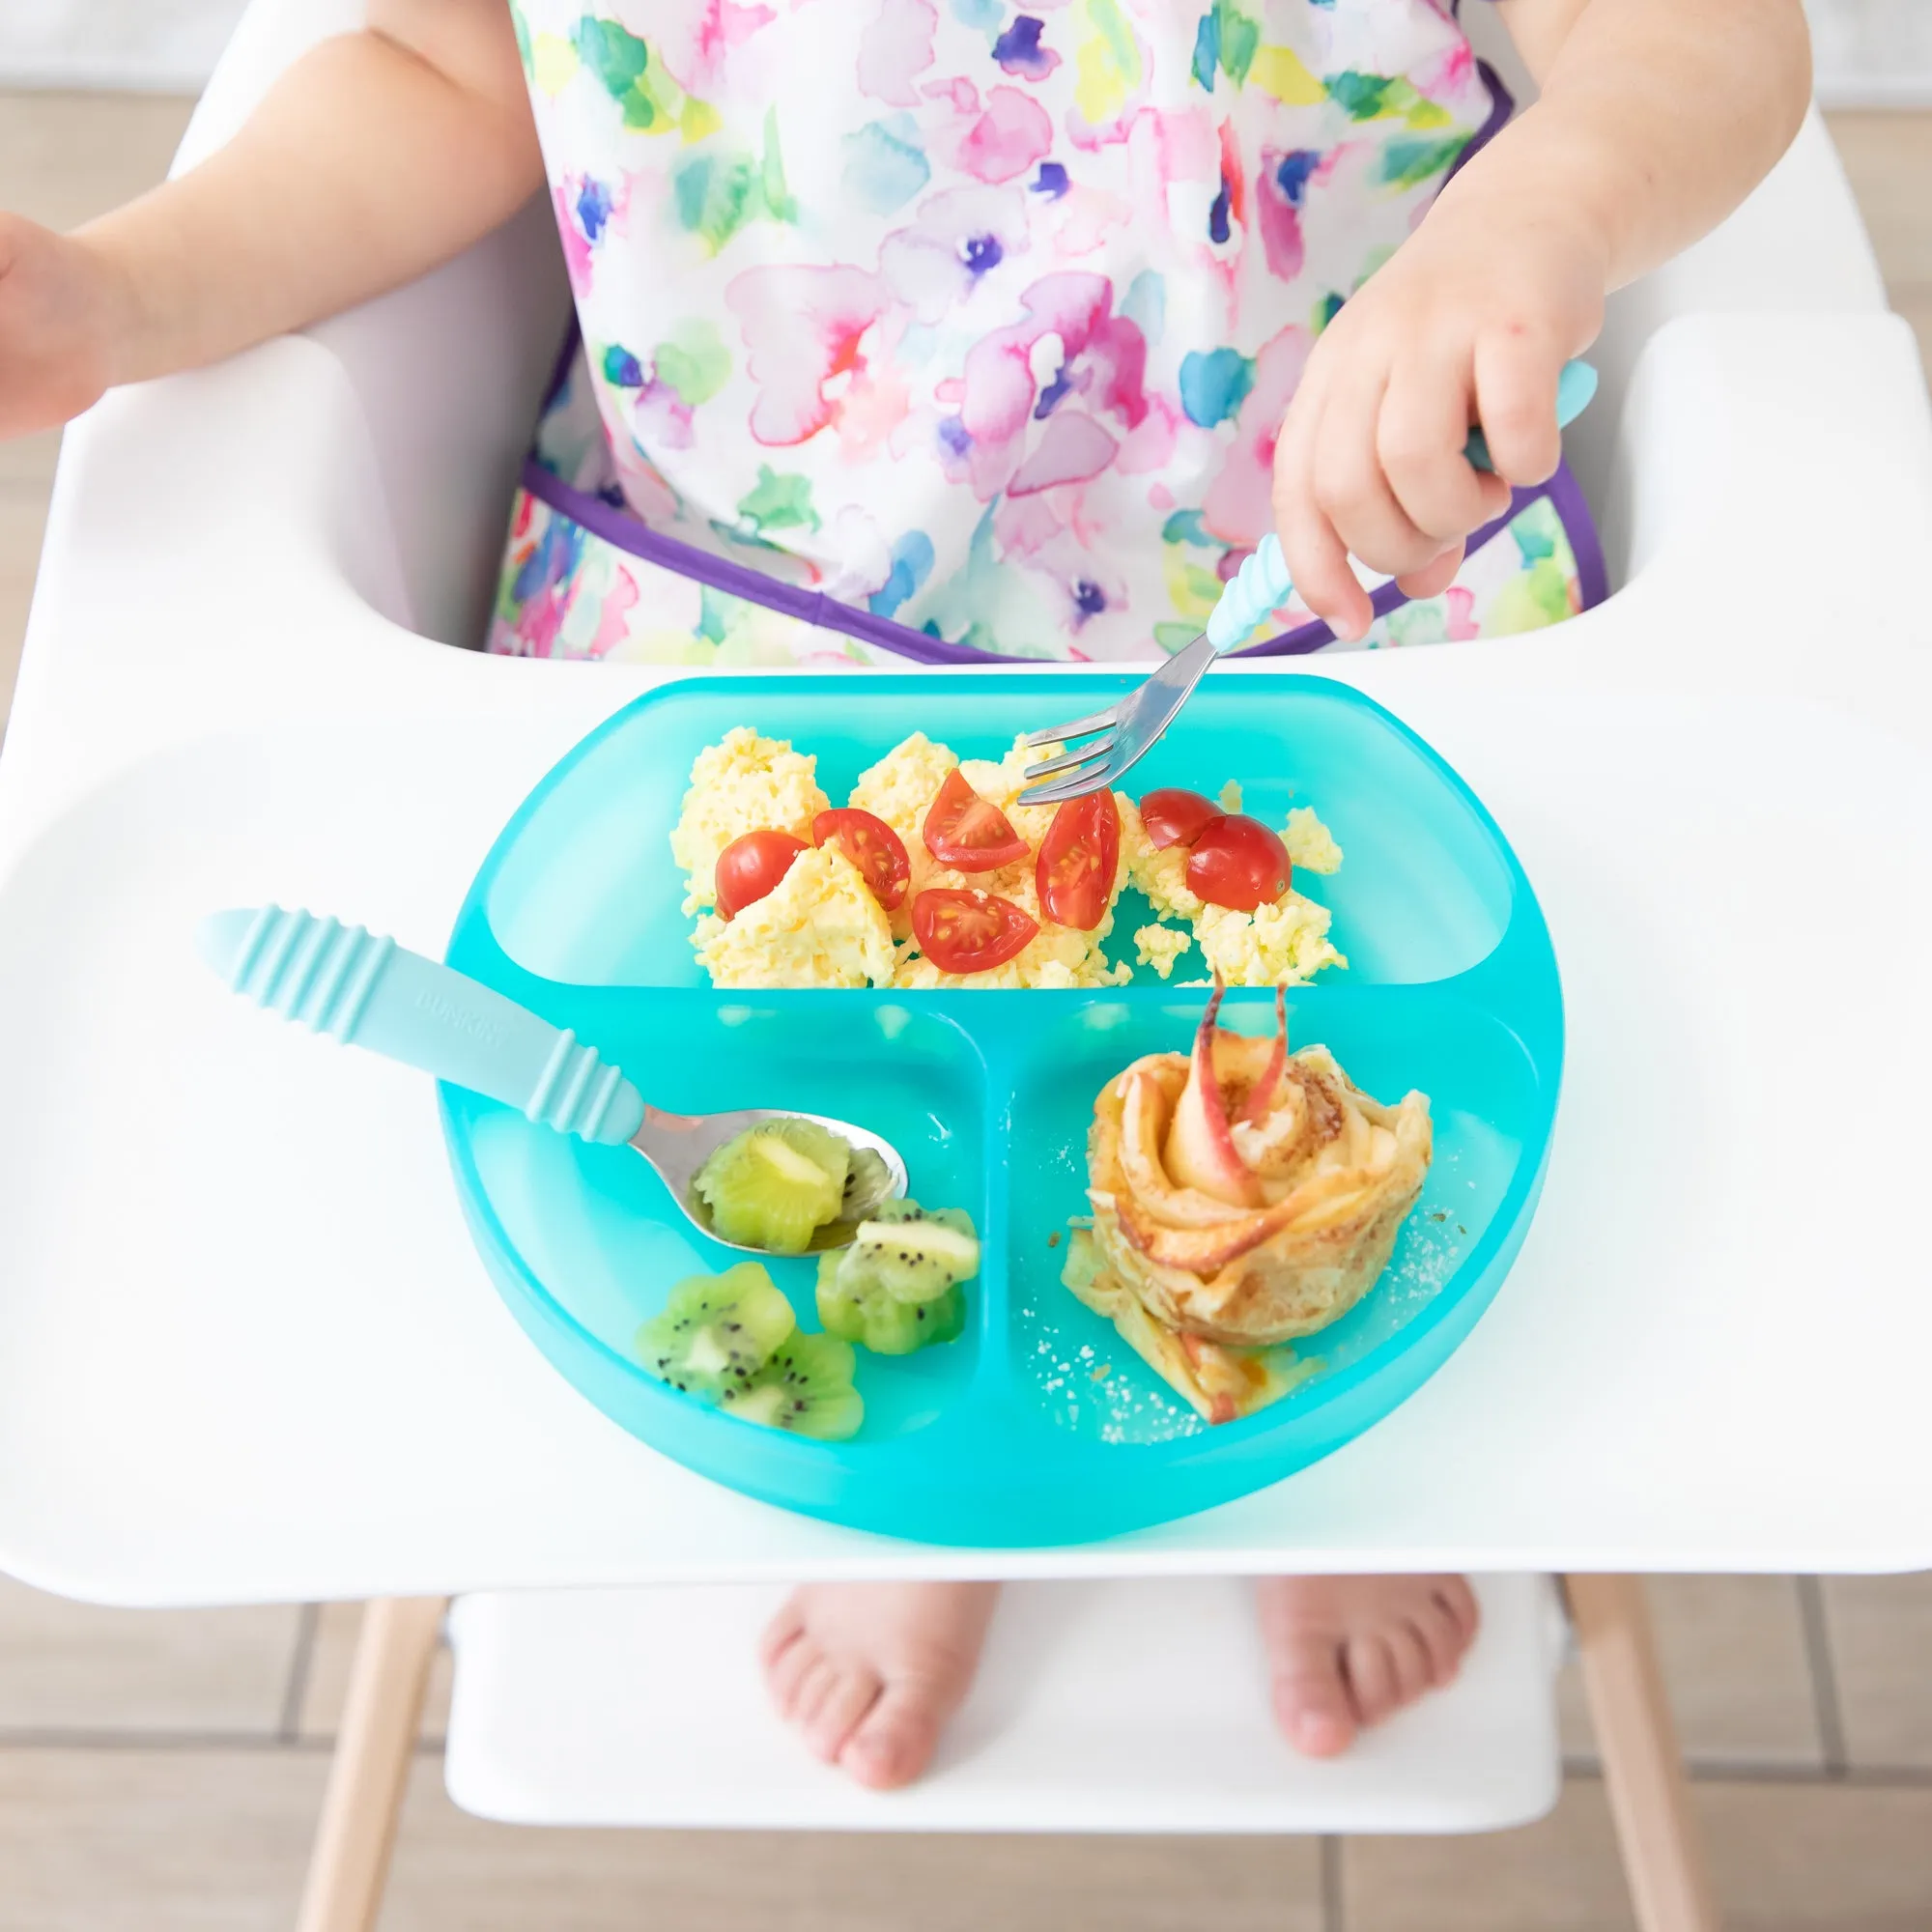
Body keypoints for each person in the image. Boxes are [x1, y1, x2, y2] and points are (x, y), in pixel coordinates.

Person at [0, 0, 1809, 1785]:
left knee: (1310, 1081)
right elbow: (441, 67)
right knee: (802, 1084)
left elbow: (1704, 33)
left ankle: (1287, 1389)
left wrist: (1529, 216)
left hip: (1314, 580)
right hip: (750, 600)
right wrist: (123, 298)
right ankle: (934, 1451)